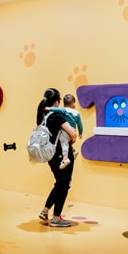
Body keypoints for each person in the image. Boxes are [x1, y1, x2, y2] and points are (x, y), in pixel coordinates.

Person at [37, 88, 78, 227]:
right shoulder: (57, 116)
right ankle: (56, 218)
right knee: (64, 185)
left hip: (50, 155)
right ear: (56, 101)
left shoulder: (44, 115)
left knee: (60, 183)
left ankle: (45, 210)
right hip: (61, 156)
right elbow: (73, 134)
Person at [50, 93, 84, 169]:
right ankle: (73, 151)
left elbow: (56, 109)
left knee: (63, 142)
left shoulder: (64, 110)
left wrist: (49, 108)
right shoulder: (77, 113)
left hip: (66, 130)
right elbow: (80, 124)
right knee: (68, 142)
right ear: (73, 104)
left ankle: (65, 158)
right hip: (73, 130)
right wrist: (81, 133)